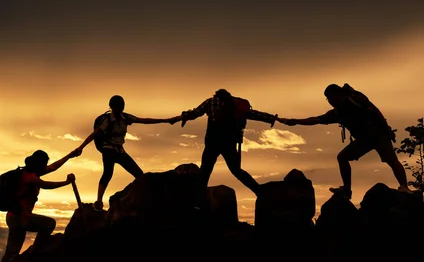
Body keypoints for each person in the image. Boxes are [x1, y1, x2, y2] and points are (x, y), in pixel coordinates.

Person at [277, 83, 412, 199]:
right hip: (366, 139)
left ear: (339, 95)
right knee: (342, 157)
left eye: (331, 97)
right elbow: (316, 120)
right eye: (328, 99)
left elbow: (376, 112)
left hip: (378, 134)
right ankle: (347, 190)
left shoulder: (356, 102)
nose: (330, 101)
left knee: (392, 161)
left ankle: (404, 187)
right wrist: (296, 121)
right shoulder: (337, 113)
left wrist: (387, 130)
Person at [171, 88, 278, 205]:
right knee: (237, 171)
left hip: (212, 142)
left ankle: (199, 201)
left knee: (205, 171)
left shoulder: (210, 102)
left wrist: (183, 117)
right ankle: (259, 191)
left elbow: (195, 113)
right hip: (229, 143)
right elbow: (254, 114)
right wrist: (271, 118)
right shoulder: (234, 105)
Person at [74, 94, 179, 211]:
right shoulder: (107, 120)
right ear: (112, 107)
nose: (119, 109)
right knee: (108, 173)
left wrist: (166, 120)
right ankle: (99, 201)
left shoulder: (126, 118)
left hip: (119, 151)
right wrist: (81, 147)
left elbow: (144, 121)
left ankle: (144, 198)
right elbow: (95, 134)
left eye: (121, 106)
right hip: (108, 149)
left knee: (138, 174)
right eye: (117, 107)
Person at [1, 148, 80, 262]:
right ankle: (33, 252)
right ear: (39, 164)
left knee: (12, 250)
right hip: (20, 218)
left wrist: (70, 155)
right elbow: (46, 185)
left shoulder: (27, 173)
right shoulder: (30, 177)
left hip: (14, 216)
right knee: (49, 224)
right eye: (44, 164)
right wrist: (66, 182)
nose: (46, 166)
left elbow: (53, 167)